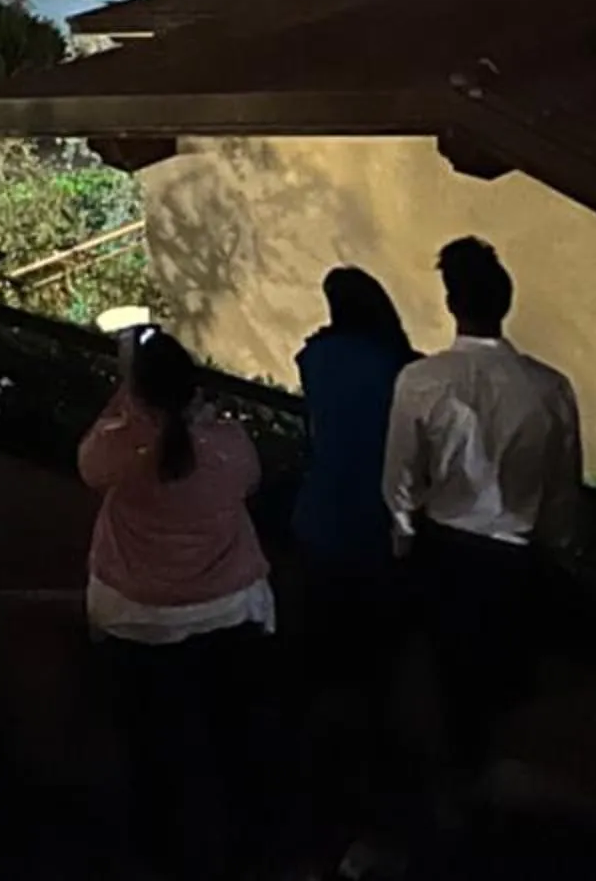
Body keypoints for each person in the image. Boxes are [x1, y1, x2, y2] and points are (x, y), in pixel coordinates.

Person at [384, 236, 583, 777]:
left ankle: (456, 792)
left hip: (446, 550)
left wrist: (405, 541)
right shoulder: (550, 388)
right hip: (518, 556)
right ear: (506, 302)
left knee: (448, 685)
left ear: (452, 304)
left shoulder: (422, 381)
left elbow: (400, 479)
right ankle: (493, 796)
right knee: (509, 688)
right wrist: (557, 549)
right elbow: (563, 487)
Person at [81, 327, 274, 881]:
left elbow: (89, 462)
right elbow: (250, 482)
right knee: (225, 742)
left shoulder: (117, 451)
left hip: (134, 619)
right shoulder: (230, 447)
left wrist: (130, 401)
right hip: (226, 614)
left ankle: (156, 852)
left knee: (146, 751)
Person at [290, 270, 415, 859]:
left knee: (322, 659)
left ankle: (321, 787)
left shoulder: (318, 357)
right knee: (380, 671)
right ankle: (383, 784)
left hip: (322, 523)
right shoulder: (402, 366)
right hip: (379, 528)